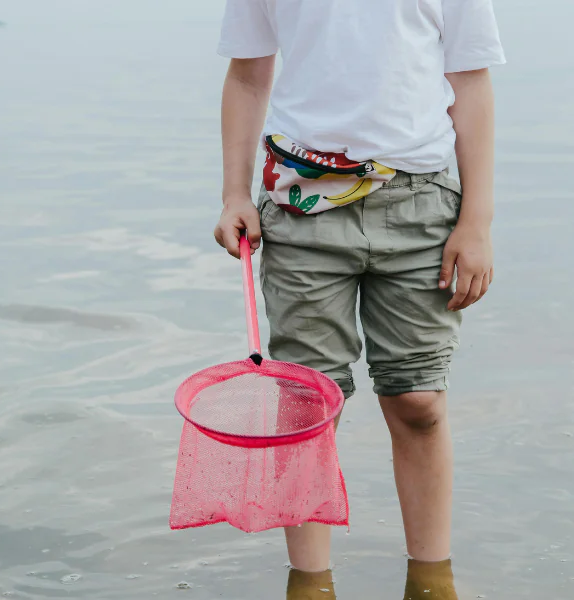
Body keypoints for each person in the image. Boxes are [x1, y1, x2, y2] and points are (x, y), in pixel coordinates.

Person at [213, 1, 505, 597]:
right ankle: (310, 584)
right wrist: (232, 195)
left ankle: (432, 579)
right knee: (307, 410)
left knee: (419, 400)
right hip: (300, 208)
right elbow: (247, 74)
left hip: (422, 205)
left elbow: (470, 83)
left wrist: (476, 222)